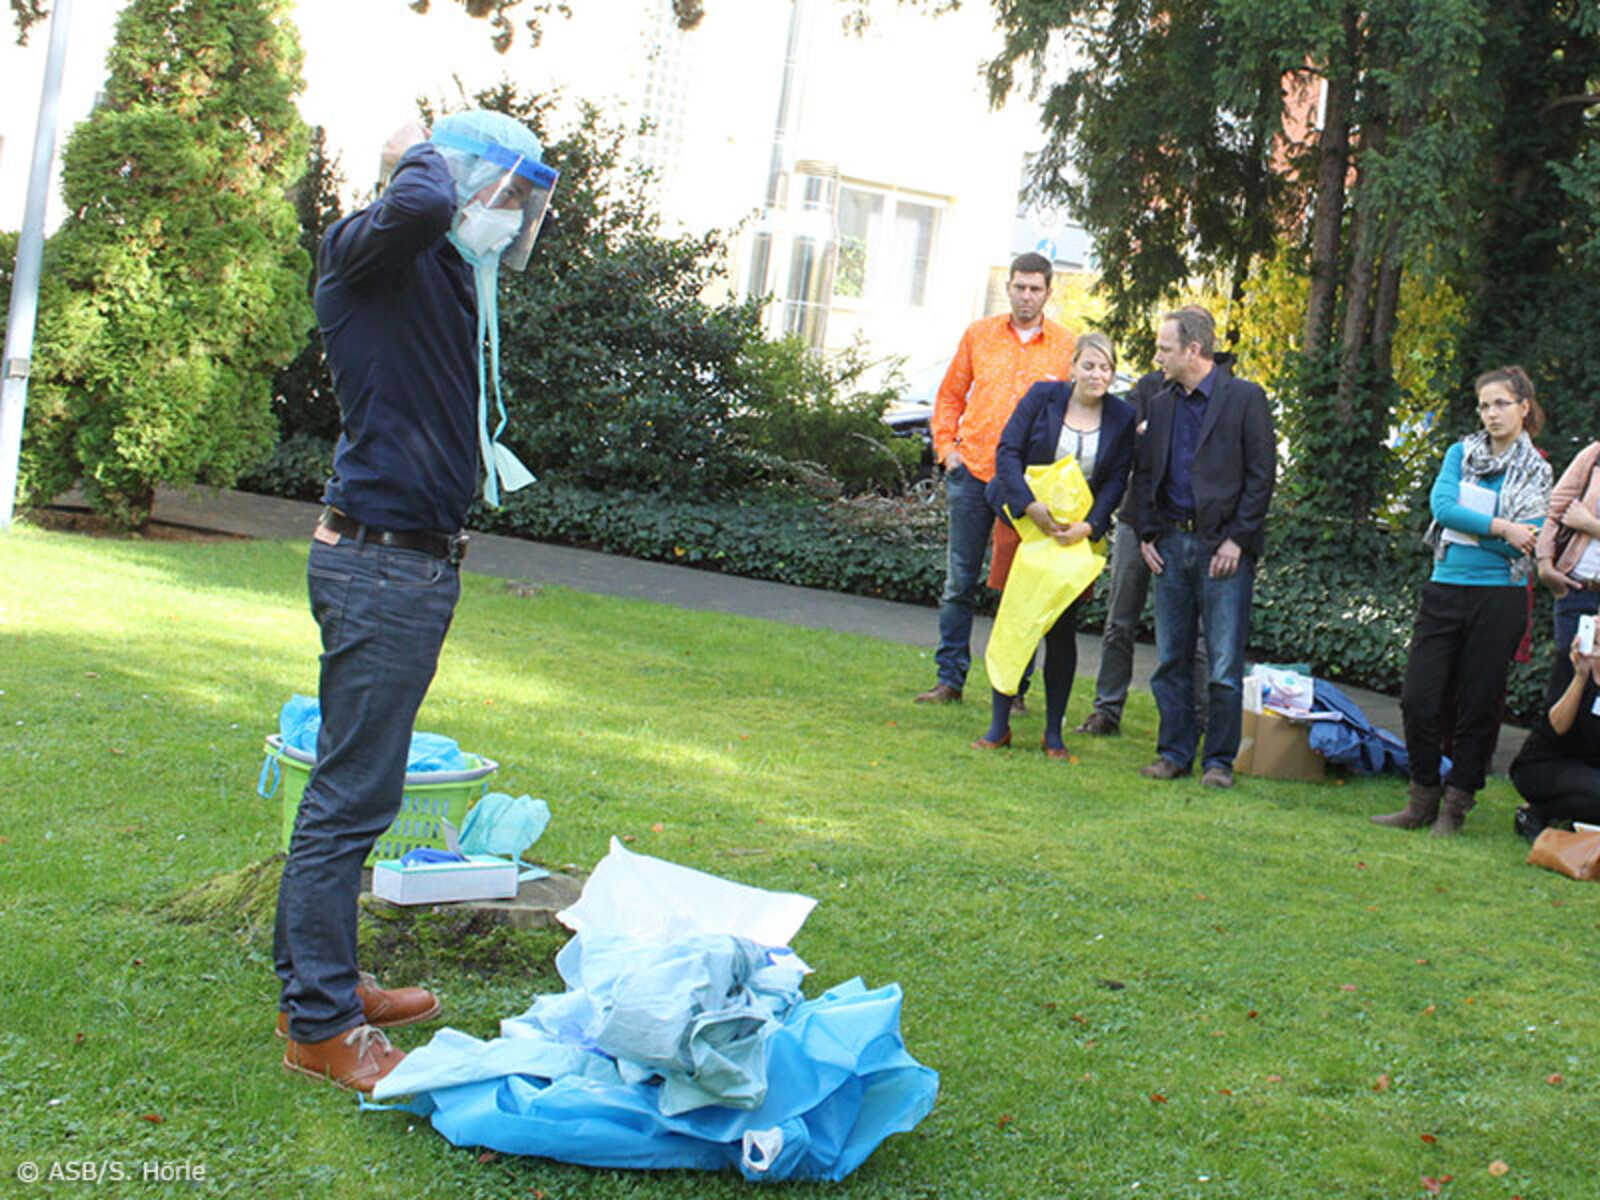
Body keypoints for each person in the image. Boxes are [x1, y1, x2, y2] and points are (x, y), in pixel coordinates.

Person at [273, 110, 557, 1092]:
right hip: (379, 564)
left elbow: (445, 223)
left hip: (410, 563)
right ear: (452, 175)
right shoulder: (364, 250)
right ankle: (319, 1024)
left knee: (360, 791)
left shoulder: (435, 271)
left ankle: (328, 985)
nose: (510, 215)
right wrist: (423, 150)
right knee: (348, 804)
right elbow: (427, 197)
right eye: (506, 192)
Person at [1372, 366, 1551, 836]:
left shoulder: (1538, 470)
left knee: (1478, 703)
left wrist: (1483, 532)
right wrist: (1500, 527)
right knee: (1418, 697)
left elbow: (1526, 543)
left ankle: (1456, 803)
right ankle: (1422, 795)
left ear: (1523, 407)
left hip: (1500, 598)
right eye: (1484, 405)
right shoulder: (1461, 453)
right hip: (1445, 588)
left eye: (1501, 404)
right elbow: (1443, 509)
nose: (1491, 414)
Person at [915, 252, 1075, 705]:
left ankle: (1013, 686)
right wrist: (948, 452)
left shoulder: (1065, 346)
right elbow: (948, 396)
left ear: (1048, 291)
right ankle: (949, 679)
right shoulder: (979, 335)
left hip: (1025, 487)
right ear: (1008, 287)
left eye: (1035, 289)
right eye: (1019, 287)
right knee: (959, 581)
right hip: (972, 472)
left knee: (1018, 588)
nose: (1026, 296)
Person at [973, 332, 1136, 755]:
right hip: (1025, 525)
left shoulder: (1122, 417)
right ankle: (998, 727)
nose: (1096, 374)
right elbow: (1007, 451)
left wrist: (1091, 526)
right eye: (1089, 365)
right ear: (1072, 368)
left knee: (1062, 631)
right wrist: (1028, 505)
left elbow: (1118, 477)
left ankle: (1054, 733)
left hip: (1073, 538)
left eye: (1105, 368)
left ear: (1113, 374)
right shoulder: (1043, 397)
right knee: (1016, 619)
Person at [1134, 308, 1276, 788]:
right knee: (1171, 658)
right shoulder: (1159, 401)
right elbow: (1147, 473)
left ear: (1193, 350)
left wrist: (1237, 539)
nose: (1158, 357)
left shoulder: (1245, 399)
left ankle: (1218, 761)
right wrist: (1147, 534)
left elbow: (1261, 478)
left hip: (1223, 548)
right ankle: (1173, 752)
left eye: (1165, 348)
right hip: (1171, 543)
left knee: (1223, 664)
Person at [1076, 303, 1225, 738]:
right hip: (1135, 519)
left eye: (1167, 346)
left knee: (1189, 632)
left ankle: (1194, 718)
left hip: (1182, 527)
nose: (1161, 355)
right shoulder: (1145, 389)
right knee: (1119, 618)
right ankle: (1107, 708)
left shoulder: (1220, 394)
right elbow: (1133, 451)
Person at [1509, 631, 1600, 842]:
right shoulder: (1570, 660)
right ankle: (1535, 811)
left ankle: (1576, 815)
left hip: (1591, 767)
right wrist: (1580, 677)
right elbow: (1556, 727)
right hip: (1547, 764)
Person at [1534, 439, 1600, 657]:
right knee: (1569, 679)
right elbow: (1553, 511)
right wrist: (1545, 565)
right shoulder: (1594, 455)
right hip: (1577, 591)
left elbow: (1580, 520)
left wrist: (1589, 525)